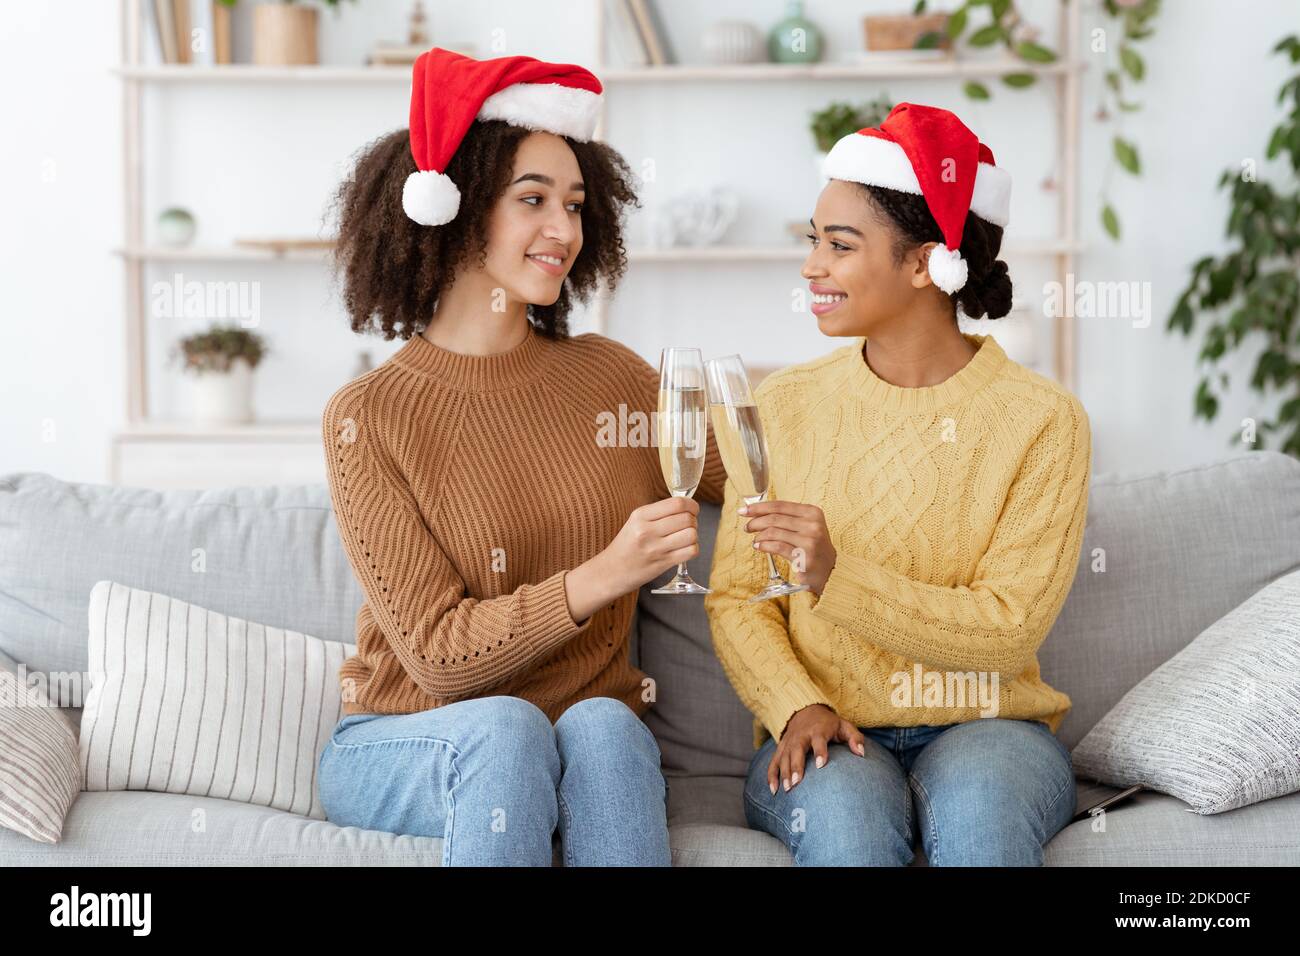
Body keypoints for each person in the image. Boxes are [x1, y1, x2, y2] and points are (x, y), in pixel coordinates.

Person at [316, 48, 726, 866]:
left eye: (576, 205)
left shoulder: (611, 375)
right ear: (457, 208)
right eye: (533, 200)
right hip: (409, 738)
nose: (564, 230)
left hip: (580, 730)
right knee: (508, 728)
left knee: (609, 723)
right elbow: (436, 657)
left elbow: (755, 469)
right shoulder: (369, 416)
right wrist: (605, 573)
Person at [704, 102, 1092, 866]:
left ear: (924, 264)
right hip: (827, 725)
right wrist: (796, 703)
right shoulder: (781, 405)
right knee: (845, 830)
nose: (812, 265)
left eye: (839, 246)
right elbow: (737, 597)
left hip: (989, 726)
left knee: (981, 820)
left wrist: (837, 576)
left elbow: (1008, 629)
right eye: (813, 241)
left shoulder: (1044, 421)